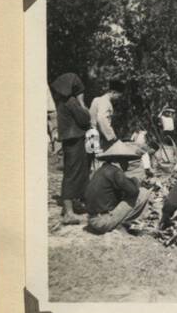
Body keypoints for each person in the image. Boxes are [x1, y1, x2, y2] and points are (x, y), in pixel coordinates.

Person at [50, 73, 92, 224]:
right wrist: (83, 103)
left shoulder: (62, 101)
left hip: (71, 140)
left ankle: (73, 205)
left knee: (75, 172)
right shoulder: (72, 101)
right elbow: (85, 119)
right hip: (74, 140)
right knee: (72, 173)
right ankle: (68, 212)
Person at [85, 141, 151, 235]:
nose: (127, 164)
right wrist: (135, 181)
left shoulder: (102, 169)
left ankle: (119, 222)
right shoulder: (116, 172)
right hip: (103, 222)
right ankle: (124, 223)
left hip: (92, 219)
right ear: (119, 160)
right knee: (143, 192)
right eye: (125, 161)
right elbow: (134, 192)